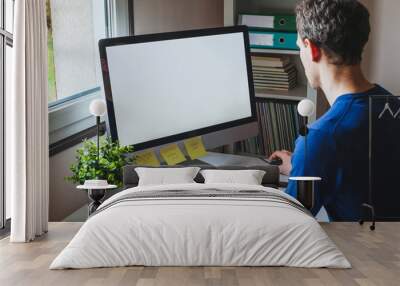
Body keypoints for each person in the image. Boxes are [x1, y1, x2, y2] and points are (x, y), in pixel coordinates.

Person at [269, 0, 391, 221]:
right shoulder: (390, 105)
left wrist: (308, 159)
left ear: (312, 49)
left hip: (360, 254)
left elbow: (291, 225)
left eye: (299, 47)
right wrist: (301, 166)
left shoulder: (321, 138)